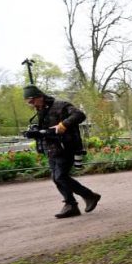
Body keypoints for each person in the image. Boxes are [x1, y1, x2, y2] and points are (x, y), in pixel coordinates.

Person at [23, 85, 101, 219]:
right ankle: (71, 205)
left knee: (60, 176)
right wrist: (35, 133)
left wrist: (63, 125)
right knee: (56, 177)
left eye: (31, 101)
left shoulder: (61, 105)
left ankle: (89, 195)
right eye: (28, 102)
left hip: (66, 146)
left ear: (39, 97)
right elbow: (48, 130)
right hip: (52, 149)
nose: (30, 104)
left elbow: (79, 115)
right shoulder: (40, 111)